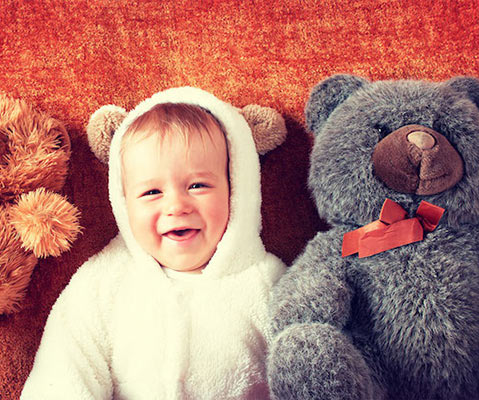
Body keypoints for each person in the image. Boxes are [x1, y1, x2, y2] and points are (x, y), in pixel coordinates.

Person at [21, 87, 286, 399]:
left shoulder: (269, 284)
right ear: (123, 203)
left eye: (198, 185)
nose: (176, 206)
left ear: (237, 189)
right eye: (151, 192)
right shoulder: (101, 284)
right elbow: (63, 374)